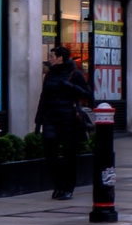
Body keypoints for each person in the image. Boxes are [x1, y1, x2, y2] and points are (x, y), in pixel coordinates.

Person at [34, 45, 91, 200]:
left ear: (60, 58)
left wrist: (70, 86)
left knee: (69, 155)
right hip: (51, 117)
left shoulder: (75, 74)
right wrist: (38, 120)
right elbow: (44, 96)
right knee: (49, 154)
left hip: (69, 119)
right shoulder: (50, 74)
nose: (49, 59)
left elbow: (87, 94)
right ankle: (59, 184)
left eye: (52, 56)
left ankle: (68, 187)